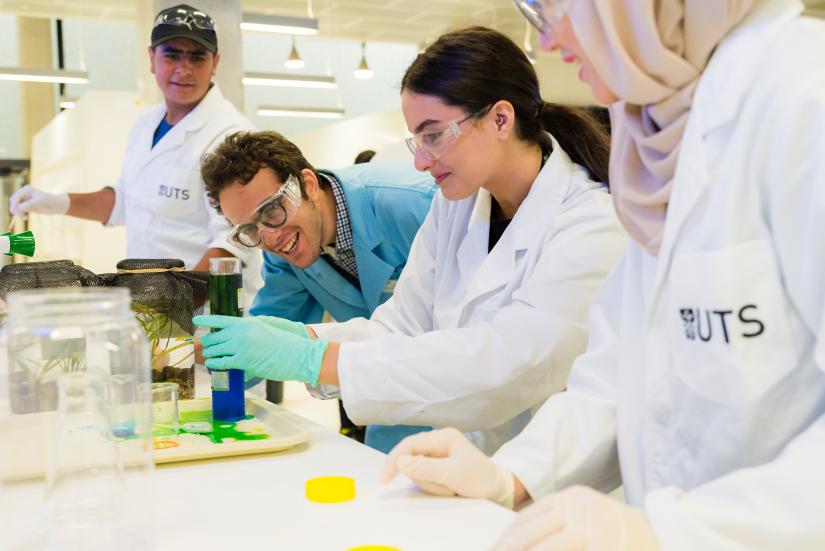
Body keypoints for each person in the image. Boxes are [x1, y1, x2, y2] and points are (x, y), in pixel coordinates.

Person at [381, 0, 825, 549]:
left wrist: (679, 530)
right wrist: (512, 474)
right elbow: (620, 371)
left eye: (553, 7)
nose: (546, 39)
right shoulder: (662, 134)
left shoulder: (804, 98)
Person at [194, 27, 627, 454]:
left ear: (500, 118)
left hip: (544, 476)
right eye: (416, 139)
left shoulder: (591, 222)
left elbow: (506, 365)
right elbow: (402, 325)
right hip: (459, 458)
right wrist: (308, 340)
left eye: (433, 135)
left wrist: (315, 360)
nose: (419, 161)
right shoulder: (455, 205)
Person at [8, 4, 261, 303]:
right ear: (152, 58)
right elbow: (125, 200)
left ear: (215, 62)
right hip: (151, 302)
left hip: (207, 309)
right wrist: (57, 202)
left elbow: (233, 241)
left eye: (197, 56)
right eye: (172, 54)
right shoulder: (144, 126)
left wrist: (179, 305)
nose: (184, 68)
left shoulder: (232, 136)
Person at [198, 130, 437, 443]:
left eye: (271, 211)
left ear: (307, 185)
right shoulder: (287, 253)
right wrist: (202, 353)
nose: (269, 239)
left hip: (475, 411)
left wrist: (305, 357)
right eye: (249, 229)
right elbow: (262, 345)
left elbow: (471, 339)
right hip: (394, 410)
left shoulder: (416, 205)